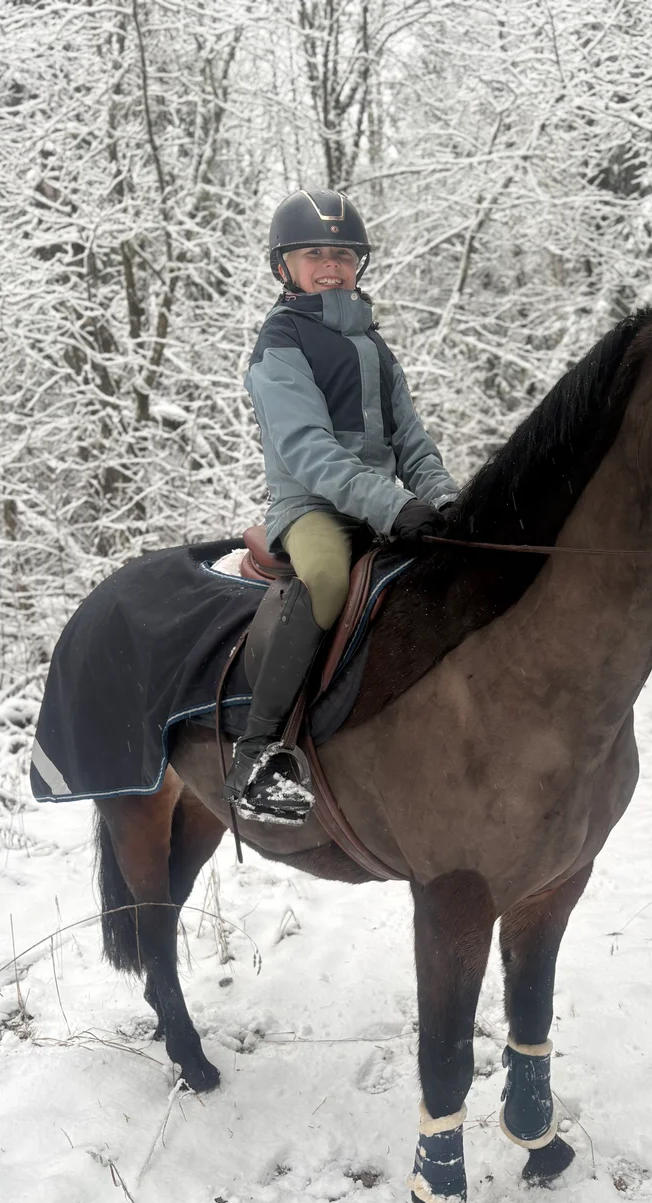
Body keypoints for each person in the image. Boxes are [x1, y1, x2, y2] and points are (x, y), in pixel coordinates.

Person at [222, 188, 458, 822]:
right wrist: (391, 504)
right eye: (315, 254)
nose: (331, 265)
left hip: (383, 504)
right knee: (325, 579)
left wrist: (443, 498)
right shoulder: (280, 342)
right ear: (284, 268)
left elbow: (412, 440)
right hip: (314, 506)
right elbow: (307, 449)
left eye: (343, 254)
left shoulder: (376, 345)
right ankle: (258, 752)